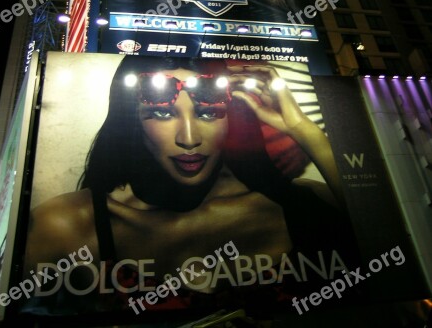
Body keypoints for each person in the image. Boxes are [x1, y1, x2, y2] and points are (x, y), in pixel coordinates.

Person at [22, 57, 363, 318]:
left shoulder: (295, 203)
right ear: (130, 123)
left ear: (233, 119)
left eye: (208, 113)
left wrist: (301, 127)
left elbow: (384, 234)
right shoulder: (68, 225)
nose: (189, 138)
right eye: (162, 113)